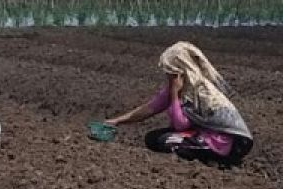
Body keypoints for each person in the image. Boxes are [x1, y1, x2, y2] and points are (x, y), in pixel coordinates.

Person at [104, 41, 253, 166]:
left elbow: (180, 125)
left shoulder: (200, 92)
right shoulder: (179, 88)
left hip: (228, 144)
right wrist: (117, 121)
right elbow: (150, 108)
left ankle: (216, 160)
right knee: (153, 138)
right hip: (206, 135)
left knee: (168, 141)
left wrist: (175, 95)